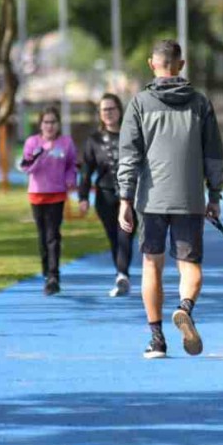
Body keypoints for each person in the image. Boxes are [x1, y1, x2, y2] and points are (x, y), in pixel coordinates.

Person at [117, 39, 223, 359]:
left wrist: (124, 197)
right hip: (190, 199)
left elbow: (129, 155)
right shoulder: (201, 104)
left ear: (152, 64)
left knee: (152, 265)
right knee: (190, 266)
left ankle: (156, 339)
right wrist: (214, 195)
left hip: (150, 201)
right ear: (182, 64)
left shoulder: (139, 104)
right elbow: (214, 155)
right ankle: (185, 308)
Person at [78, 93, 136, 297]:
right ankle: (121, 274)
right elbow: (86, 170)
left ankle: (122, 274)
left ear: (120, 110)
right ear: (100, 114)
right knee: (114, 238)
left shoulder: (132, 135)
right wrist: (83, 197)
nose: (108, 113)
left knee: (125, 235)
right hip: (105, 197)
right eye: (104, 110)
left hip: (130, 197)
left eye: (112, 109)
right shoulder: (94, 141)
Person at [18, 106, 77, 296]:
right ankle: (46, 272)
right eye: (46, 122)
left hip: (57, 194)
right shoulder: (32, 142)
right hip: (37, 194)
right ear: (40, 124)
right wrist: (39, 155)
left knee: (53, 236)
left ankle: (53, 276)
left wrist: (70, 180)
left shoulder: (66, 143)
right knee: (42, 237)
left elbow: (71, 165)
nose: (49, 126)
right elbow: (26, 168)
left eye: (53, 122)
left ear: (58, 124)